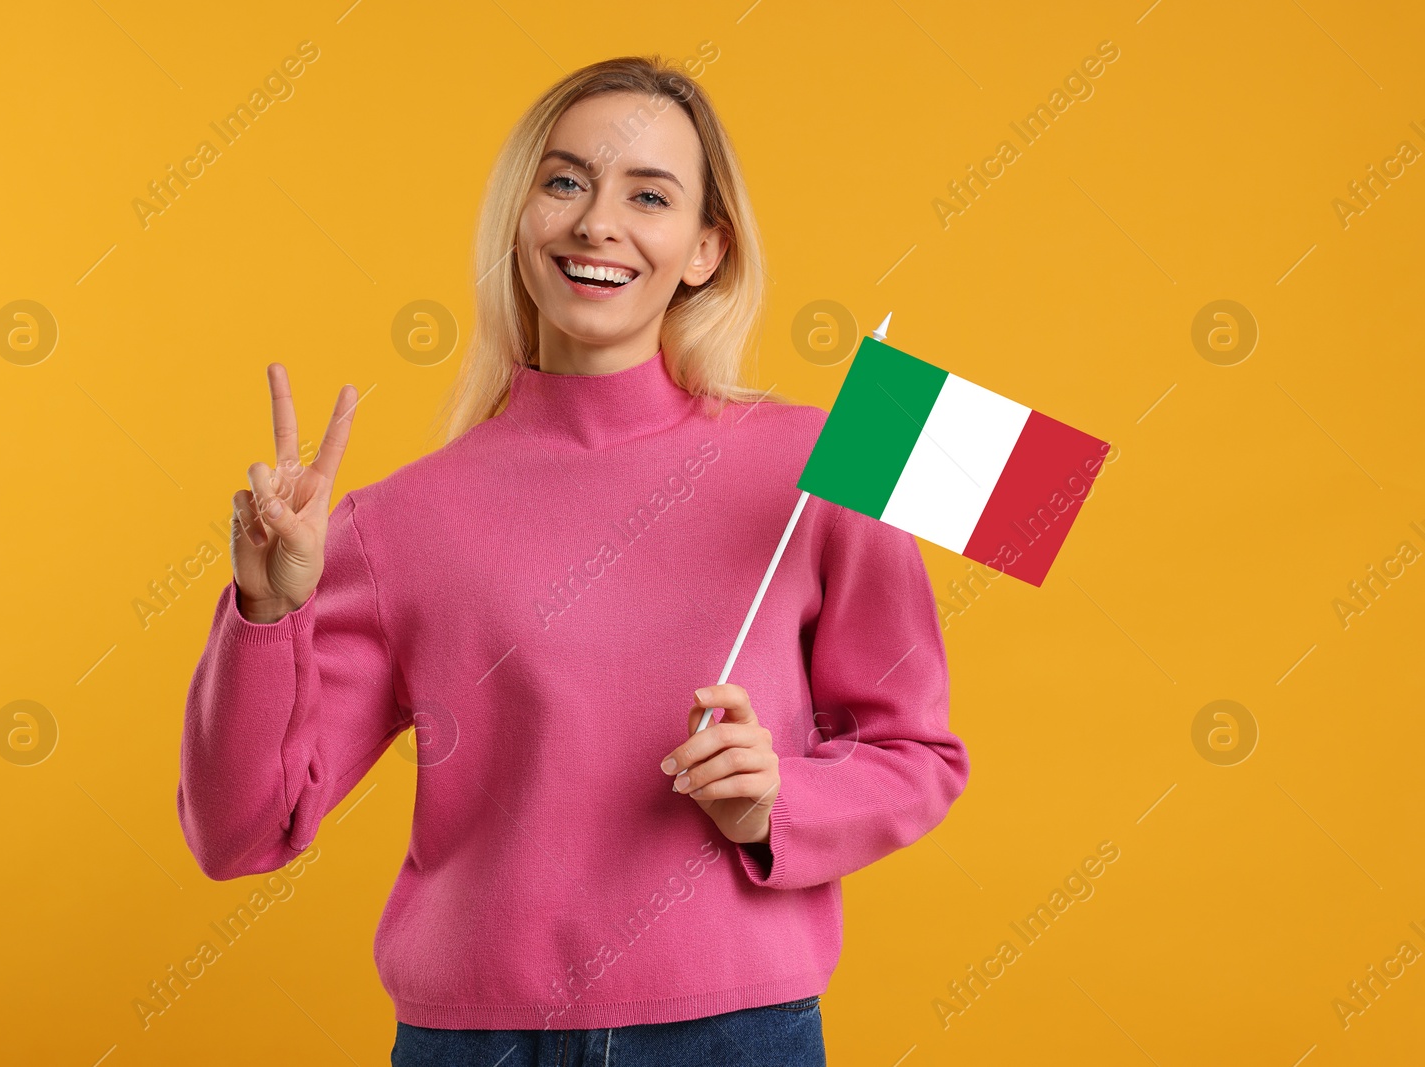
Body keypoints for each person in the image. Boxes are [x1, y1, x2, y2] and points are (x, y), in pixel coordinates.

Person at [177, 54, 969, 1067]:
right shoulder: (398, 521)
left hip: (736, 1034)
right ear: (521, 220)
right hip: (476, 1039)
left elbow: (918, 753)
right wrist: (261, 611)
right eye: (565, 182)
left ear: (703, 249)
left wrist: (780, 801)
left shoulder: (820, 465)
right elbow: (238, 831)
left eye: (649, 194)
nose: (599, 221)